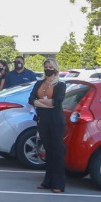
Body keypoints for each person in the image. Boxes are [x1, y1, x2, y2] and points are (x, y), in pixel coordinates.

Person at [30, 58, 67, 193]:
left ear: (55, 69)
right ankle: (47, 182)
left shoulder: (60, 85)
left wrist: (39, 102)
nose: (48, 69)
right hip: (43, 120)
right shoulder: (39, 83)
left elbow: (56, 102)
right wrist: (43, 102)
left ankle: (58, 184)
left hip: (56, 121)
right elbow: (31, 100)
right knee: (48, 151)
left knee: (57, 152)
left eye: (50, 67)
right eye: (46, 66)